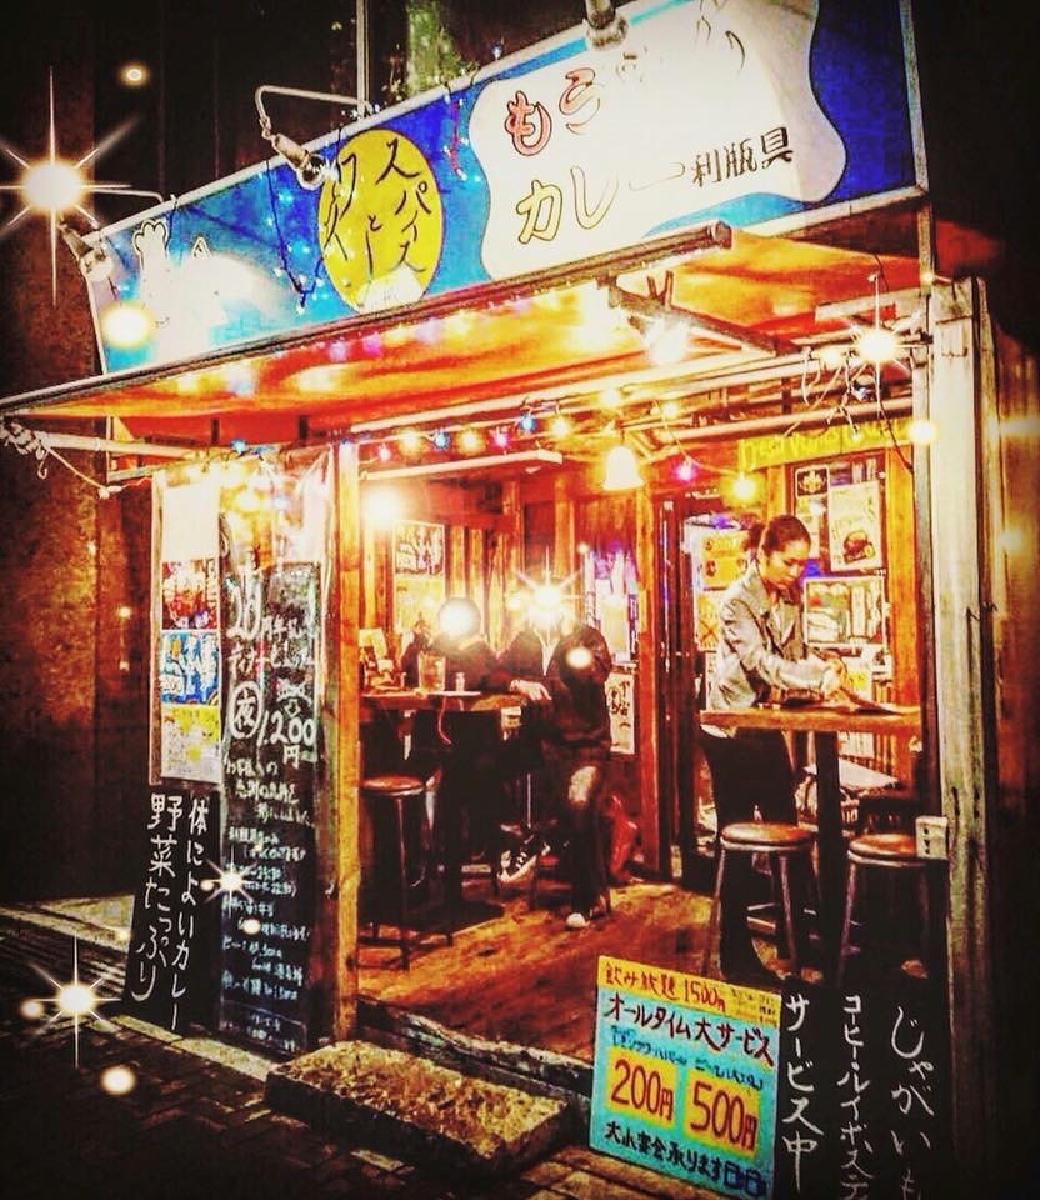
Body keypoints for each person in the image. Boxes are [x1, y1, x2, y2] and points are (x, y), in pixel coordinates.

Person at [701, 513, 846, 986]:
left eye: (802, 564)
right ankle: (734, 953)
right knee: (738, 840)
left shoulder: (790, 596)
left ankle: (798, 939)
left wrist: (825, 668)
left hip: (763, 726)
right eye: (788, 562)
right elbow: (761, 663)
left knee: (787, 828)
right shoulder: (735, 601)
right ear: (762, 555)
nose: (796, 572)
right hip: (730, 730)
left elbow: (793, 658)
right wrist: (813, 677)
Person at [543, 616, 613, 930]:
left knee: (580, 805)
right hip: (553, 749)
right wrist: (515, 683)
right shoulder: (534, 639)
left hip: (589, 747)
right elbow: (502, 669)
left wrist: (568, 637)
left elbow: (594, 673)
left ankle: (583, 900)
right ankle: (518, 843)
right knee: (574, 815)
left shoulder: (587, 638)